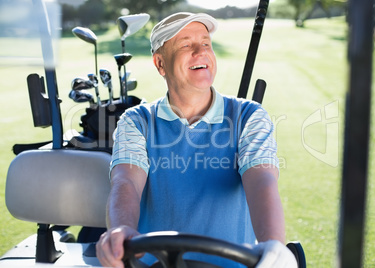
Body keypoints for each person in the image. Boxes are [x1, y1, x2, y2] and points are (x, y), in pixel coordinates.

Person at [96, 12, 297, 268]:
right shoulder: (136, 121)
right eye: (186, 45)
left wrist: (274, 246)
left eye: (206, 43)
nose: (201, 51)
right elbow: (126, 183)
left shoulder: (249, 116)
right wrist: (121, 230)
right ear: (160, 64)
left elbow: (262, 182)